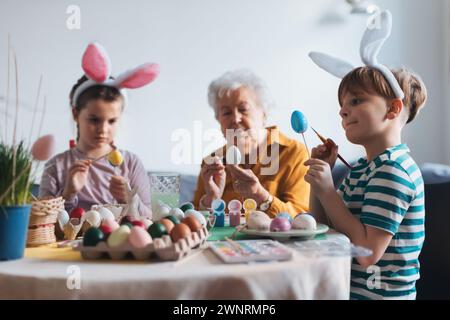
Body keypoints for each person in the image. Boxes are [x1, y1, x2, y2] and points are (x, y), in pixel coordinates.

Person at [306, 11, 427, 299]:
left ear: (393, 109)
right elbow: (322, 227)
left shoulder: (394, 170)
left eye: (356, 100)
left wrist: (329, 192)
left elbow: (367, 253)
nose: (342, 110)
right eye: (343, 104)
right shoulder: (363, 168)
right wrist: (319, 181)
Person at [39, 42, 159, 217]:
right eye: (94, 120)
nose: (103, 129)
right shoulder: (56, 167)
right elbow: (42, 223)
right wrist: (68, 194)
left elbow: (150, 219)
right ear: (75, 113)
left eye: (112, 121)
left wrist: (130, 199)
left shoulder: (131, 164)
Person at [193, 69, 310, 217]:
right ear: (218, 120)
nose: (235, 119)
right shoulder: (211, 163)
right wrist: (210, 201)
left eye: (243, 109)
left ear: (264, 114)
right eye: (226, 113)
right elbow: (193, 224)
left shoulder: (295, 154)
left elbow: (303, 218)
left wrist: (261, 196)